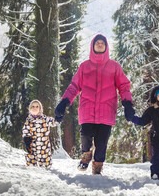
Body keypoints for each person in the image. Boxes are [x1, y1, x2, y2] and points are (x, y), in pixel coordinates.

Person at [55, 34, 135, 175]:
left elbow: (124, 86)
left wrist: (127, 103)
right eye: (97, 42)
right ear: (92, 46)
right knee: (85, 135)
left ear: (106, 46)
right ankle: (86, 155)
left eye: (102, 43)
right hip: (87, 110)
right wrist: (64, 101)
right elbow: (74, 86)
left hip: (106, 111)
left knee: (102, 143)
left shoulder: (114, 67)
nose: (99, 44)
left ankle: (97, 166)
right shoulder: (84, 66)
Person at [22, 99, 61, 168]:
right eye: (33, 106)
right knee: (31, 158)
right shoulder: (28, 120)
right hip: (32, 144)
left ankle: (46, 169)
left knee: (45, 160)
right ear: (30, 109)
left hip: (44, 145)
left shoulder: (45, 119)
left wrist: (58, 118)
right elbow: (26, 130)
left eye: (37, 107)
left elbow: (53, 122)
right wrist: (26, 139)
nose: (35, 108)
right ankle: (31, 170)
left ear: (40, 109)